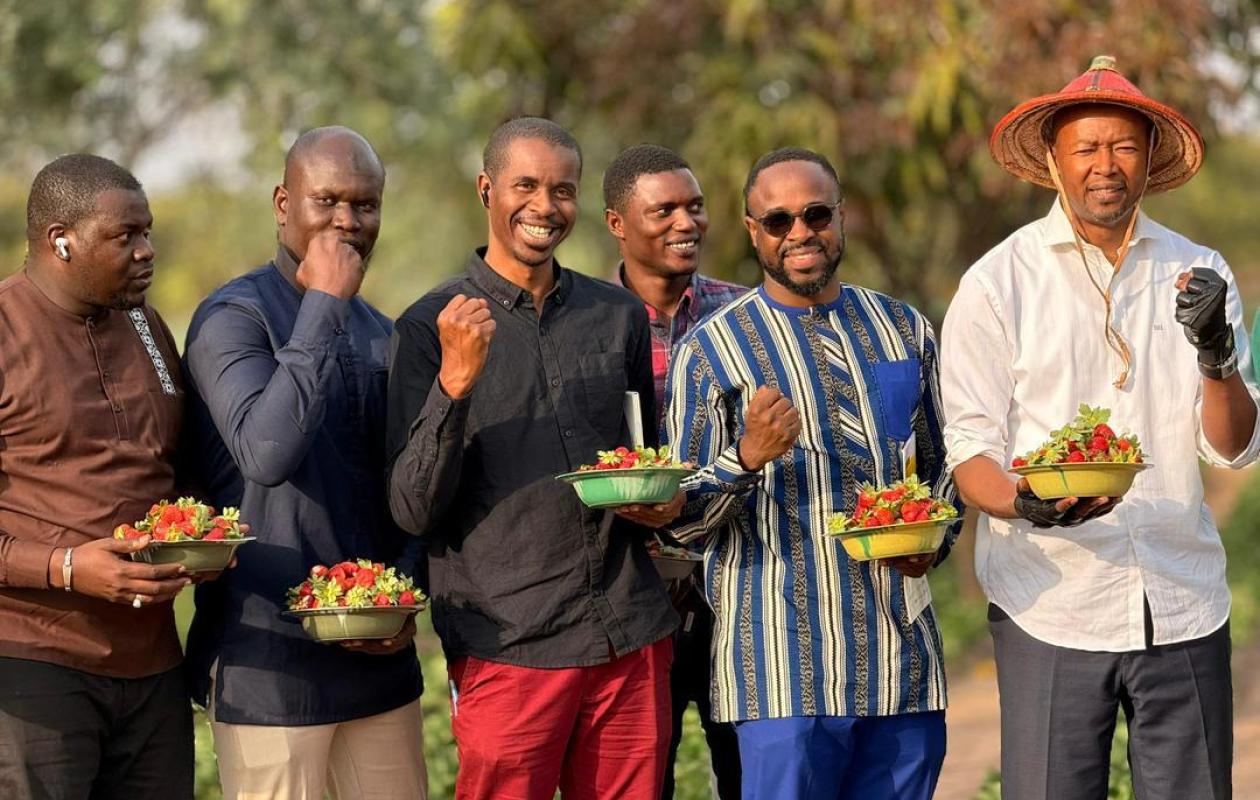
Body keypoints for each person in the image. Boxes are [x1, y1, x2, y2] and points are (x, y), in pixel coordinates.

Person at [941, 55, 1258, 799]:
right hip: (1049, 601)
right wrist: (1024, 502)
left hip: (1181, 597)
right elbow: (971, 450)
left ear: (1149, 160)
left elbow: (1235, 445)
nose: (1105, 166)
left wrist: (1216, 355)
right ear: (1053, 159)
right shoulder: (999, 282)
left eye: (1123, 146)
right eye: (1086, 148)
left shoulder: (1197, 270)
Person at [387, 117, 680, 800]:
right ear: (487, 189)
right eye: (526, 185)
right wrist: (455, 384)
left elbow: (644, 457)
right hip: (507, 643)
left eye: (563, 189)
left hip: (626, 633)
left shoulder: (617, 315)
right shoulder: (429, 326)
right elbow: (410, 506)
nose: (545, 206)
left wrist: (663, 500)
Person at [664, 147, 955, 800]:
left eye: (816, 214)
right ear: (751, 231)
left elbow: (945, 468)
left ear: (841, 218)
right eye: (778, 220)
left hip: (901, 661)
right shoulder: (709, 352)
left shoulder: (903, 329)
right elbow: (677, 522)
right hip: (780, 672)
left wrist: (931, 539)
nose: (800, 232)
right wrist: (744, 459)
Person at [182, 126, 427, 800]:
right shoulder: (231, 317)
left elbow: (406, 488)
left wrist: (403, 597)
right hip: (269, 668)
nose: (347, 221)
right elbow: (267, 452)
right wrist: (322, 303)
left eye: (365, 204)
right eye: (327, 201)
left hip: (378, 666)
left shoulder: (383, 330)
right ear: (282, 203)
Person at [0, 155, 195, 798]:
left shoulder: (145, 324)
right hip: (33, 666)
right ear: (61, 240)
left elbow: (176, 469)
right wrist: (66, 567)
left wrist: (201, 542)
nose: (147, 251)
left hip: (154, 668)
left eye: (148, 232)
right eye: (125, 237)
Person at [602, 143, 746, 800]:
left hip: (738, 594)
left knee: (749, 773)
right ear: (617, 223)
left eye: (694, 207)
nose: (685, 223)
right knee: (640, 781)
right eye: (663, 210)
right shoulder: (587, 323)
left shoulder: (747, 318)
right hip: (631, 601)